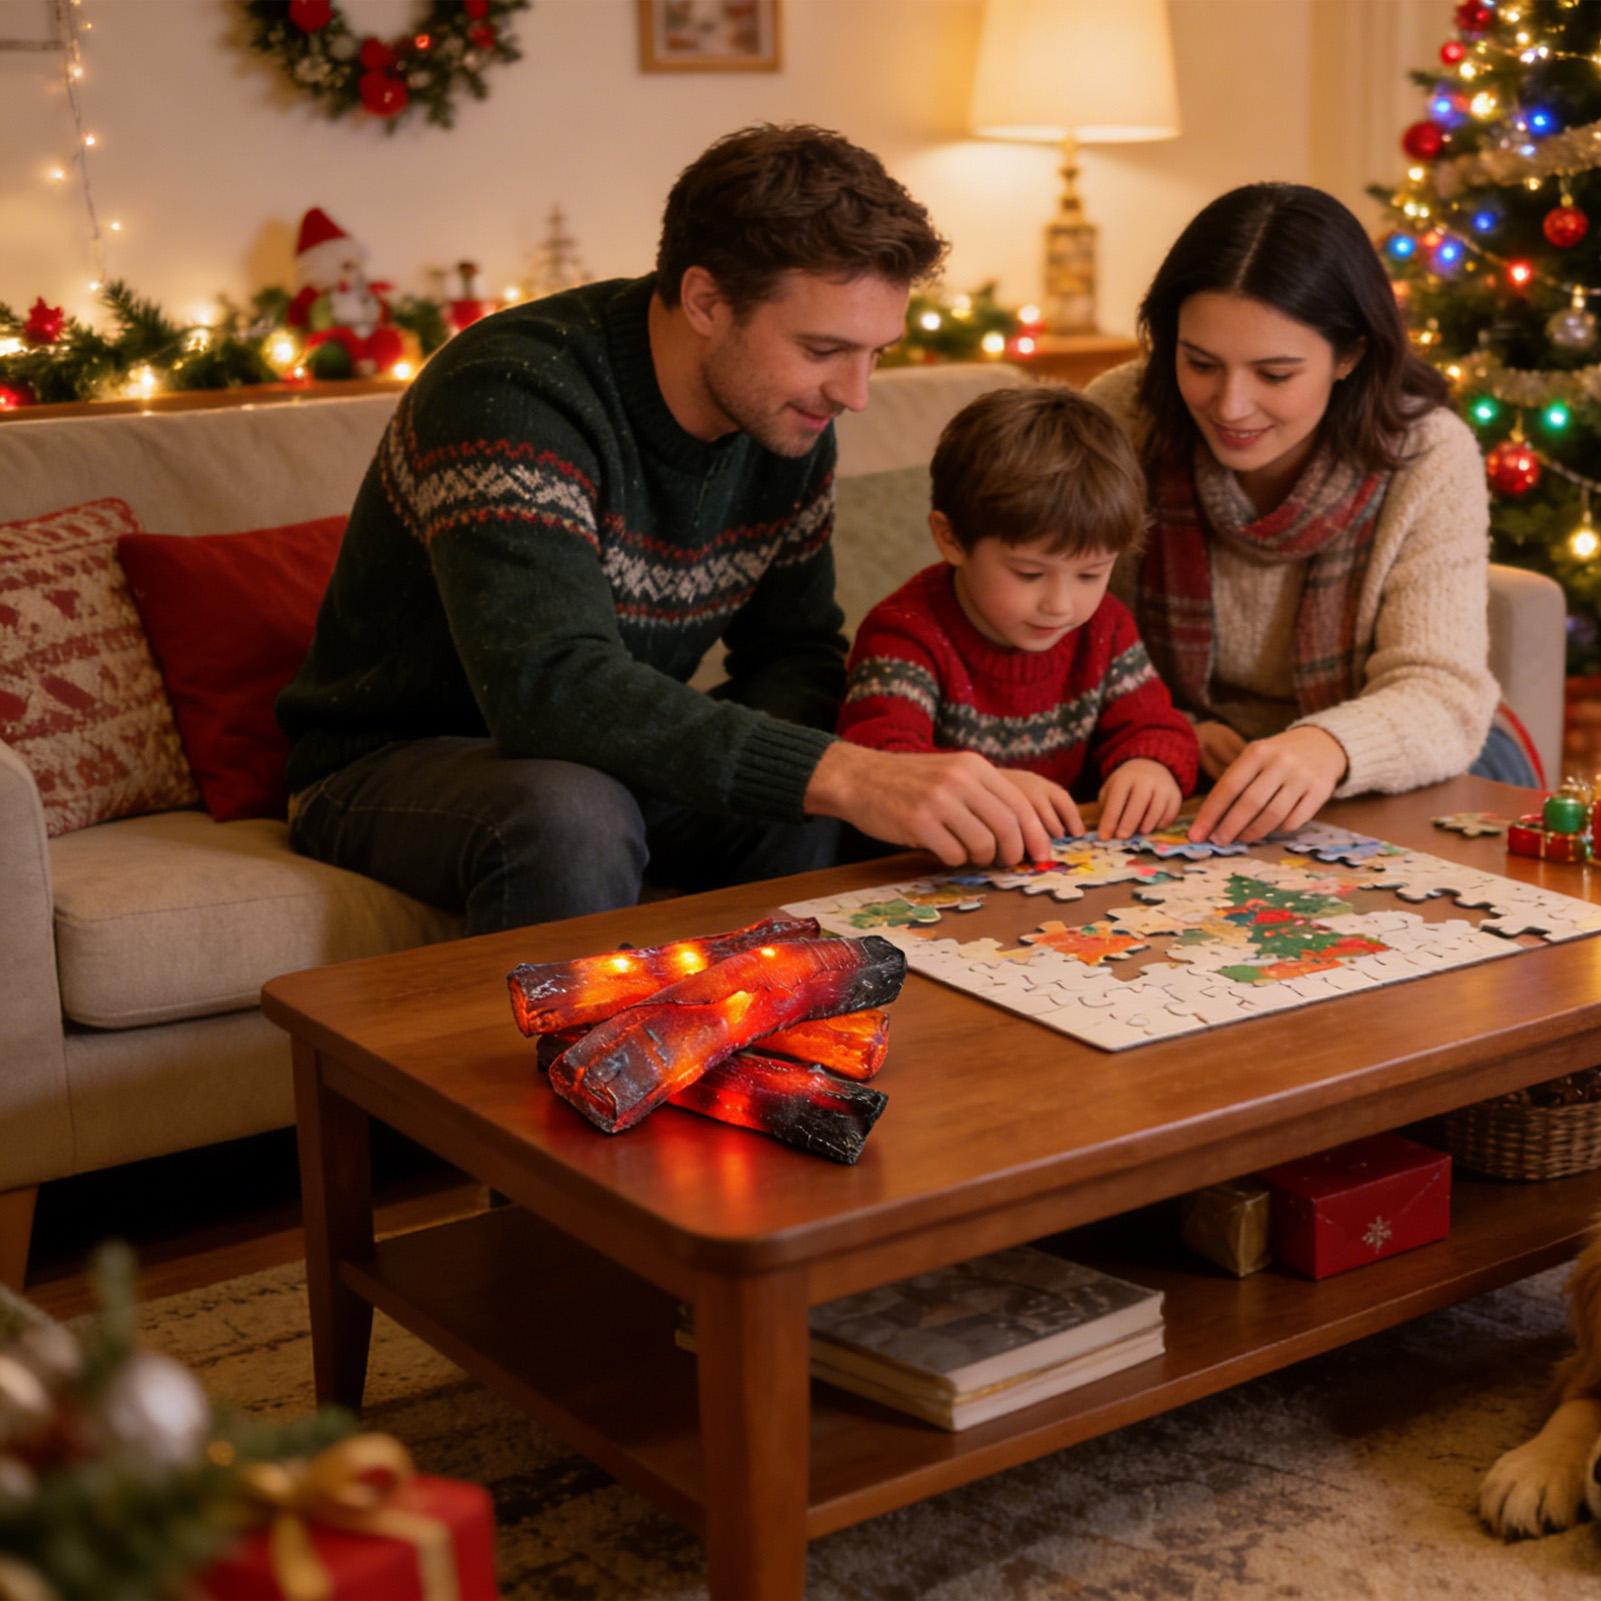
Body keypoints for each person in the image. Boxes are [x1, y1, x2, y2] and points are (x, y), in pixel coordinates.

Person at [278, 124, 1071, 936]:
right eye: (824, 348)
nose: (855, 393)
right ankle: (558, 1065)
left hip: (605, 758)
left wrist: (861, 776)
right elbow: (547, 685)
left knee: (814, 812)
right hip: (389, 762)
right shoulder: (510, 390)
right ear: (704, 300)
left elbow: (793, 653)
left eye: (875, 352)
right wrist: (842, 773)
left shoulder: (787, 421)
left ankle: (785, 1048)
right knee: (571, 813)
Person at [1084, 182, 1502, 846]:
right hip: (1157, 752)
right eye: (1199, 363)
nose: (1229, 405)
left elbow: (1441, 690)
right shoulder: (1120, 417)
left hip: (1369, 757)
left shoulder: (1428, 454)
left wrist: (1324, 744)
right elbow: (1052, 636)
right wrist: (1163, 727)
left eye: (1273, 374)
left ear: (1350, 354)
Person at [838, 385, 1198, 840]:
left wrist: (1150, 766)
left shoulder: (1104, 625)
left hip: (1062, 865)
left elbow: (1156, 726)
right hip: (922, 873)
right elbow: (881, 761)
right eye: (1029, 574)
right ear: (951, 539)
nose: (1061, 605)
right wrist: (983, 789)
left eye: (1090, 575)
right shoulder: (904, 634)